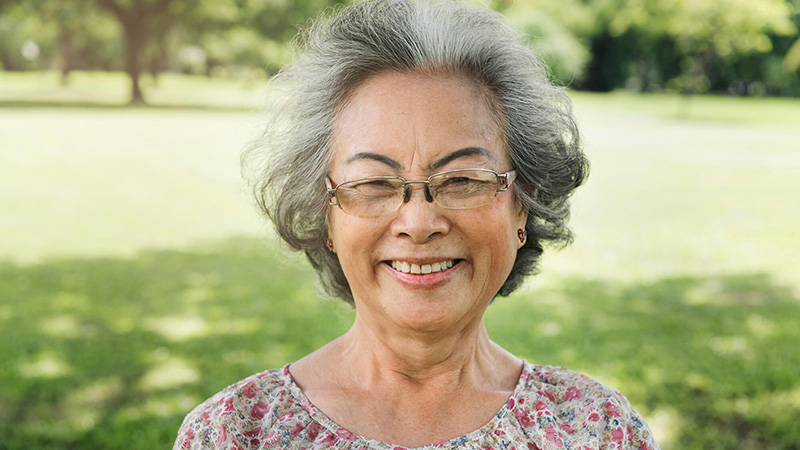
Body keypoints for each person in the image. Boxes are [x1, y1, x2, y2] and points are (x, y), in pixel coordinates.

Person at [174, 0, 660, 449]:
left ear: (522, 207)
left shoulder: (596, 430)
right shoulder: (233, 434)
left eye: (463, 179)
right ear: (327, 215)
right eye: (374, 183)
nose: (419, 222)